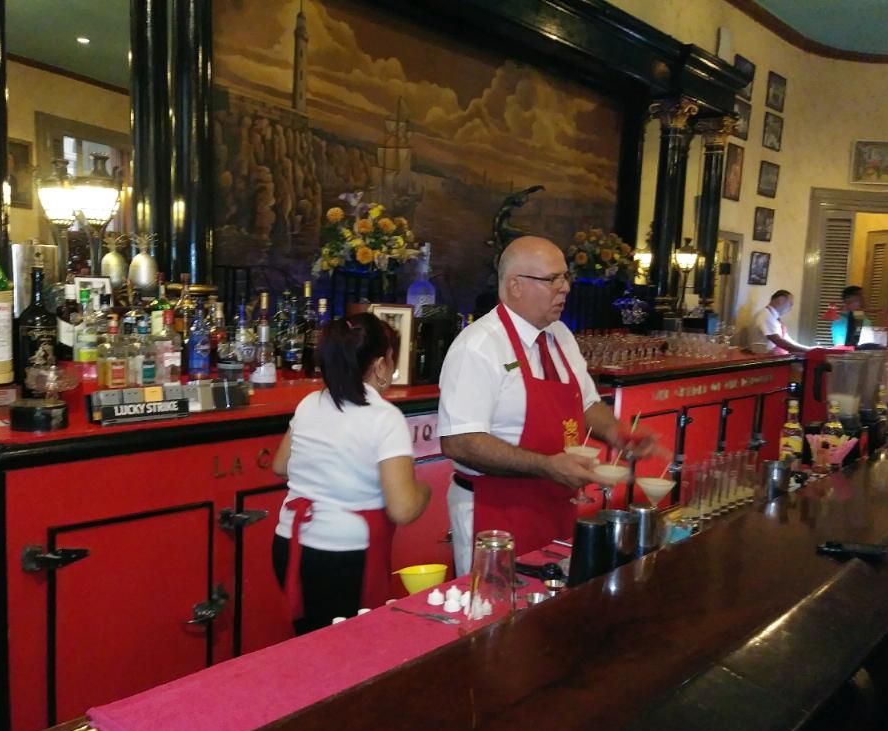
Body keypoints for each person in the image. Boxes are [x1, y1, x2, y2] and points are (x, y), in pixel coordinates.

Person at [438, 236, 661, 576]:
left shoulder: (560, 336)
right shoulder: (479, 346)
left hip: (555, 500)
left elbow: (587, 404)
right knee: (496, 616)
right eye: (552, 279)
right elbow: (460, 441)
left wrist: (618, 434)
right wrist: (546, 465)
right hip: (495, 507)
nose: (565, 288)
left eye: (565, 277)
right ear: (515, 285)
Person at [272, 313, 431, 633]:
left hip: (291, 545)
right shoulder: (384, 418)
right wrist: (423, 491)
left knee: (311, 640)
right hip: (344, 558)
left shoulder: (310, 403)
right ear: (380, 365)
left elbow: (280, 466)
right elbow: (403, 508)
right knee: (349, 650)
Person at [746, 290, 815, 353]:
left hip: (774, 356)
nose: (790, 309)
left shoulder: (774, 317)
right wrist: (807, 350)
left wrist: (808, 349)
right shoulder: (765, 315)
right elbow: (778, 341)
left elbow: (787, 340)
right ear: (781, 300)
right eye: (790, 304)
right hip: (764, 358)